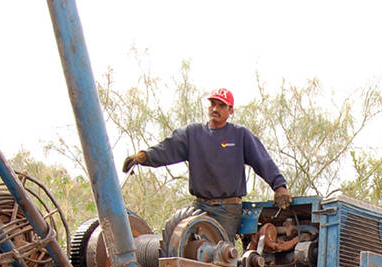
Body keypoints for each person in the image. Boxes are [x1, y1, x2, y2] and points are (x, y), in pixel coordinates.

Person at [122, 87, 292, 241]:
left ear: (231, 110)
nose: (215, 109)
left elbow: (262, 160)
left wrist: (279, 187)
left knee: (220, 255)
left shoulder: (240, 135)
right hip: (200, 205)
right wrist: (144, 157)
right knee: (179, 241)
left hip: (227, 210)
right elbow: (167, 148)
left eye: (221, 105)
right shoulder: (193, 134)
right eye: (212, 104)